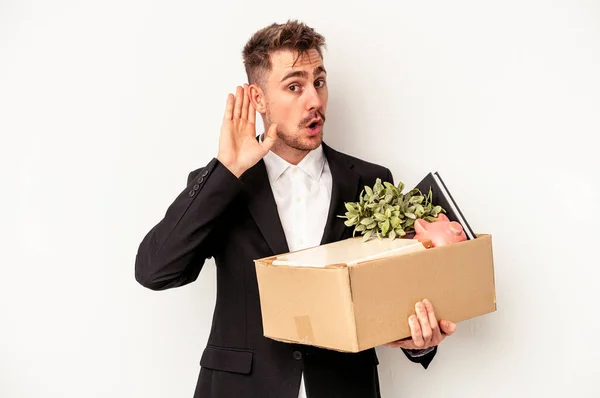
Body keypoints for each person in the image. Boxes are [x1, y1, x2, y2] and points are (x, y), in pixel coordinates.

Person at [134, 19, 456, 398]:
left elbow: (397, 298)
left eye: (319, 82)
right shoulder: (223, 186)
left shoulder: (371, 181)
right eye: (294, 86)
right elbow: (155, 270)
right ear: (258, 100)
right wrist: (228, 170)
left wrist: (420, 339)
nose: (314, 101)